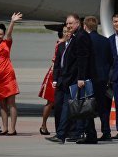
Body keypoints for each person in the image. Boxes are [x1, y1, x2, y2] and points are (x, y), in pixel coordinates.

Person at [47, 14, 97, 145]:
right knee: (80, 107)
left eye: (71, 23)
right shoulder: (76, 36)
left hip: (77, 79)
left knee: (74, 106)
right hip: (71, 78)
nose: (68, 26)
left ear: (78, 23)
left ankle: (62, 134)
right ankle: (89, 135)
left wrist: (81, 78)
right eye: (67, 24)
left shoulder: (81, 37)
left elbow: (82, 58)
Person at [0, 12, 22, 135]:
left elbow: (9, 33)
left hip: (8, 76)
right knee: (2, 104)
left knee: (11, 103)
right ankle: (5, 128)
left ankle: (12, 129)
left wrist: (12, 22)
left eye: (0, 34)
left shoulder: (6, 43)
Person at [84, 16, 113, 141]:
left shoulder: (85, 40)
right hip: (102, 78)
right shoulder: (106, 41)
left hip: (89, 78)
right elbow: (110, 60)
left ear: (85, 26)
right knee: (102, 106)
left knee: (88, 106)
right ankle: (106, 132)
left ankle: (90, 133)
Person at [37, 29, 65, 135]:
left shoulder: (65, 42)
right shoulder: (61, 43)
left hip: (61, 74)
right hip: (55, 75)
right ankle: (43, 125)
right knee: (51, 101)